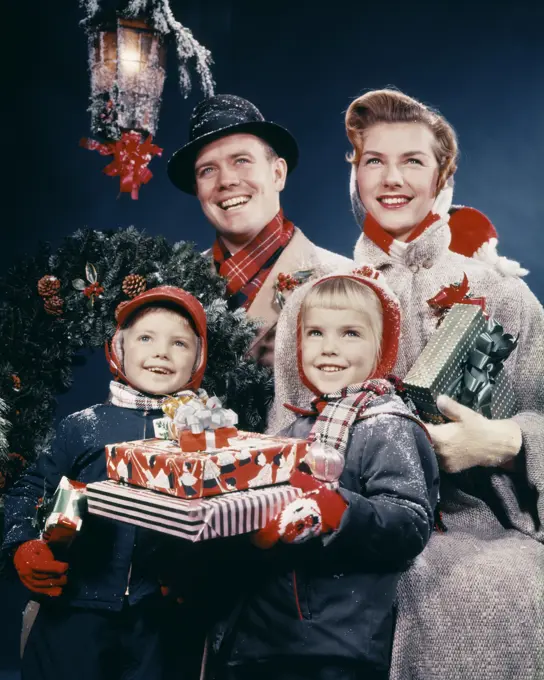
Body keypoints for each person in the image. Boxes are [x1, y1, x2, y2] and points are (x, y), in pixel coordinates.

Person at [272, 89, 544, 679]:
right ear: (355, 172)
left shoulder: (502, 294)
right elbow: (283, 429)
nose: (391, 179)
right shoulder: (315, 295)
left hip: (474, 522)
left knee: (498, 591)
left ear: (443, 174)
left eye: (413, 161)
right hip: (340, 514)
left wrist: (501, 441)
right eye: (375, 160)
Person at [210, 271, 439, 680]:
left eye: (350, 333)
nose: (329, 348)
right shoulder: (290, 432)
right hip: (261, 634)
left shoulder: (387, 426)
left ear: (381, 346)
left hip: (336, 641)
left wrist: (338, 510)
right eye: (315, 333)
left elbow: (409, 522)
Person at [2, 286, 209, 680]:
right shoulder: (82, 426)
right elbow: (29, 491)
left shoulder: (205, 434)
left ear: (197, 359)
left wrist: (196, 570)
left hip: (159, 615)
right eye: (146, 338)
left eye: (179, 343)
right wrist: (23, 546)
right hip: (77, 604)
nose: (161, 351)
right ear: (119, 349)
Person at [167, 94, 352, 368]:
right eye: (207, 170)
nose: (226, 181)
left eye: (241, 160)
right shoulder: (171, 289)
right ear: (198, 191)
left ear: (278, 174)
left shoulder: (346, 280)